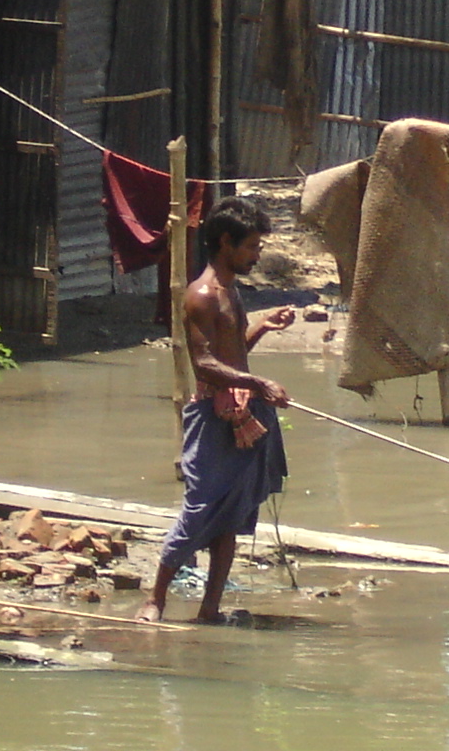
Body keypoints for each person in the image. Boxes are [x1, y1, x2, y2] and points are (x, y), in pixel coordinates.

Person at [136, 196, 296, 623]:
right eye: (251, 247)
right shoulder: (201, 296)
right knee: (201, 507)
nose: (257, 254)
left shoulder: (232, 292)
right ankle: (155, 600)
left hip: (245, 411)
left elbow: (232, 356)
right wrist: (258, 383)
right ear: (226, 242)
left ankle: (210, 609)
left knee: (235, 513)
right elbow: (203, 364)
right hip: (213, 417)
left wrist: (262, 327)